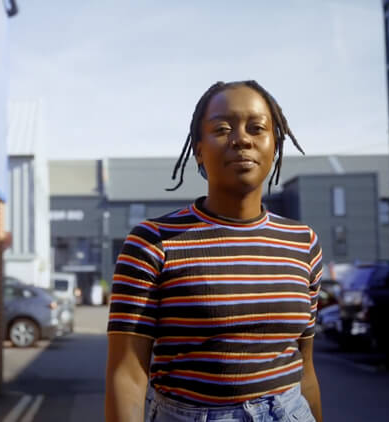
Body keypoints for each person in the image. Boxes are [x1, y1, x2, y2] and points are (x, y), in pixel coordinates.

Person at [105, 81, 323, 422]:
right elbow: (127, 376)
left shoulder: (302, 243)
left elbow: (305, 368)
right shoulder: (153, 242)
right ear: (198, 150)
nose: (242, 139)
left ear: (274, 145)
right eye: (222, 128)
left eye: (257, 128)